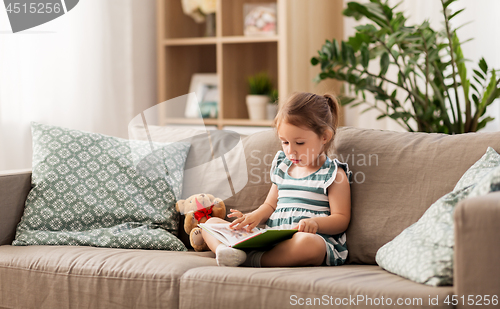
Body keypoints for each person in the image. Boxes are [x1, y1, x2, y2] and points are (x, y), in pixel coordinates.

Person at [201, 92, 352, 267]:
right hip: (272, 237)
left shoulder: (333, 174)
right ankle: (224, 251)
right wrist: (254, 216)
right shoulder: (283, 167)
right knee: (210, 224)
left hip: (305, 239)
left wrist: (316, 223)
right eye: (285, 142)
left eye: (300, 143)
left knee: (309, 244)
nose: (291, 151)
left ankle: (249, 259)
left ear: (325, 137)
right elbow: (270, 205)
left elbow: (341, 219)